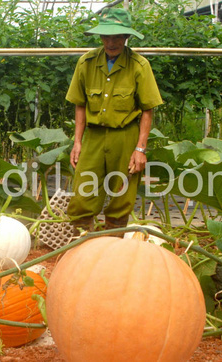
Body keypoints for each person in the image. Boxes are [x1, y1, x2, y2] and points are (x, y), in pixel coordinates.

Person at [66, 8, 163, 234]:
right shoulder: (86, 63)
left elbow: (147, 110)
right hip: (94, 136)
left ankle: (114, 242)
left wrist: (140, 148)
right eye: (107, 36)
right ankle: (82, 241)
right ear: (100, 37)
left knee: (122, 193)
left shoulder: (139, 66)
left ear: (126, 37)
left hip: (125, 135)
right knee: (83, 192)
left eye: (117, 36)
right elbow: (80, 104)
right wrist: (77, 142)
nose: (112, 42)